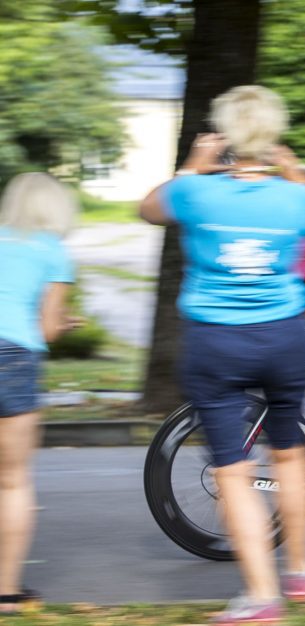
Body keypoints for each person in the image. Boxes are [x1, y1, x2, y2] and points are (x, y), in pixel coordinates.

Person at [139, 85, 305, 625]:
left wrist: (194, 164)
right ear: (274, 134)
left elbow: (148, 209)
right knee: (289, 452)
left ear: (226, 133)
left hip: (216, 343)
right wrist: (297, 173)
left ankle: (262, 597)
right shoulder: (295, 196)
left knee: (233, 470)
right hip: (282, 339)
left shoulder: (198, 193)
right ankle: (302, 570)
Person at [0, 173, 78, 615]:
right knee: (11, 480)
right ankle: (6, 593)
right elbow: (47, 328)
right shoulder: (53, 250)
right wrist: (63, 325)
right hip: (11, 358)